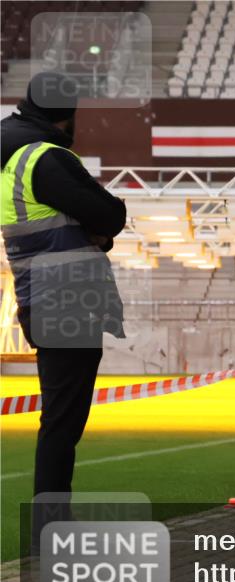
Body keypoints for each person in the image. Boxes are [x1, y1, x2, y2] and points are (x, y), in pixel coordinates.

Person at [0, 72, 126, 525]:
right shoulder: (46, 158)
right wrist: (95, 231)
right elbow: (111, 214)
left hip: (38, 291)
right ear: (66, 116)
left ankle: (49, 521)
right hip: (68, 295)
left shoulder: (10, 155)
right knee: (62, 420)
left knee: (59, 416)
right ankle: (49, 524)